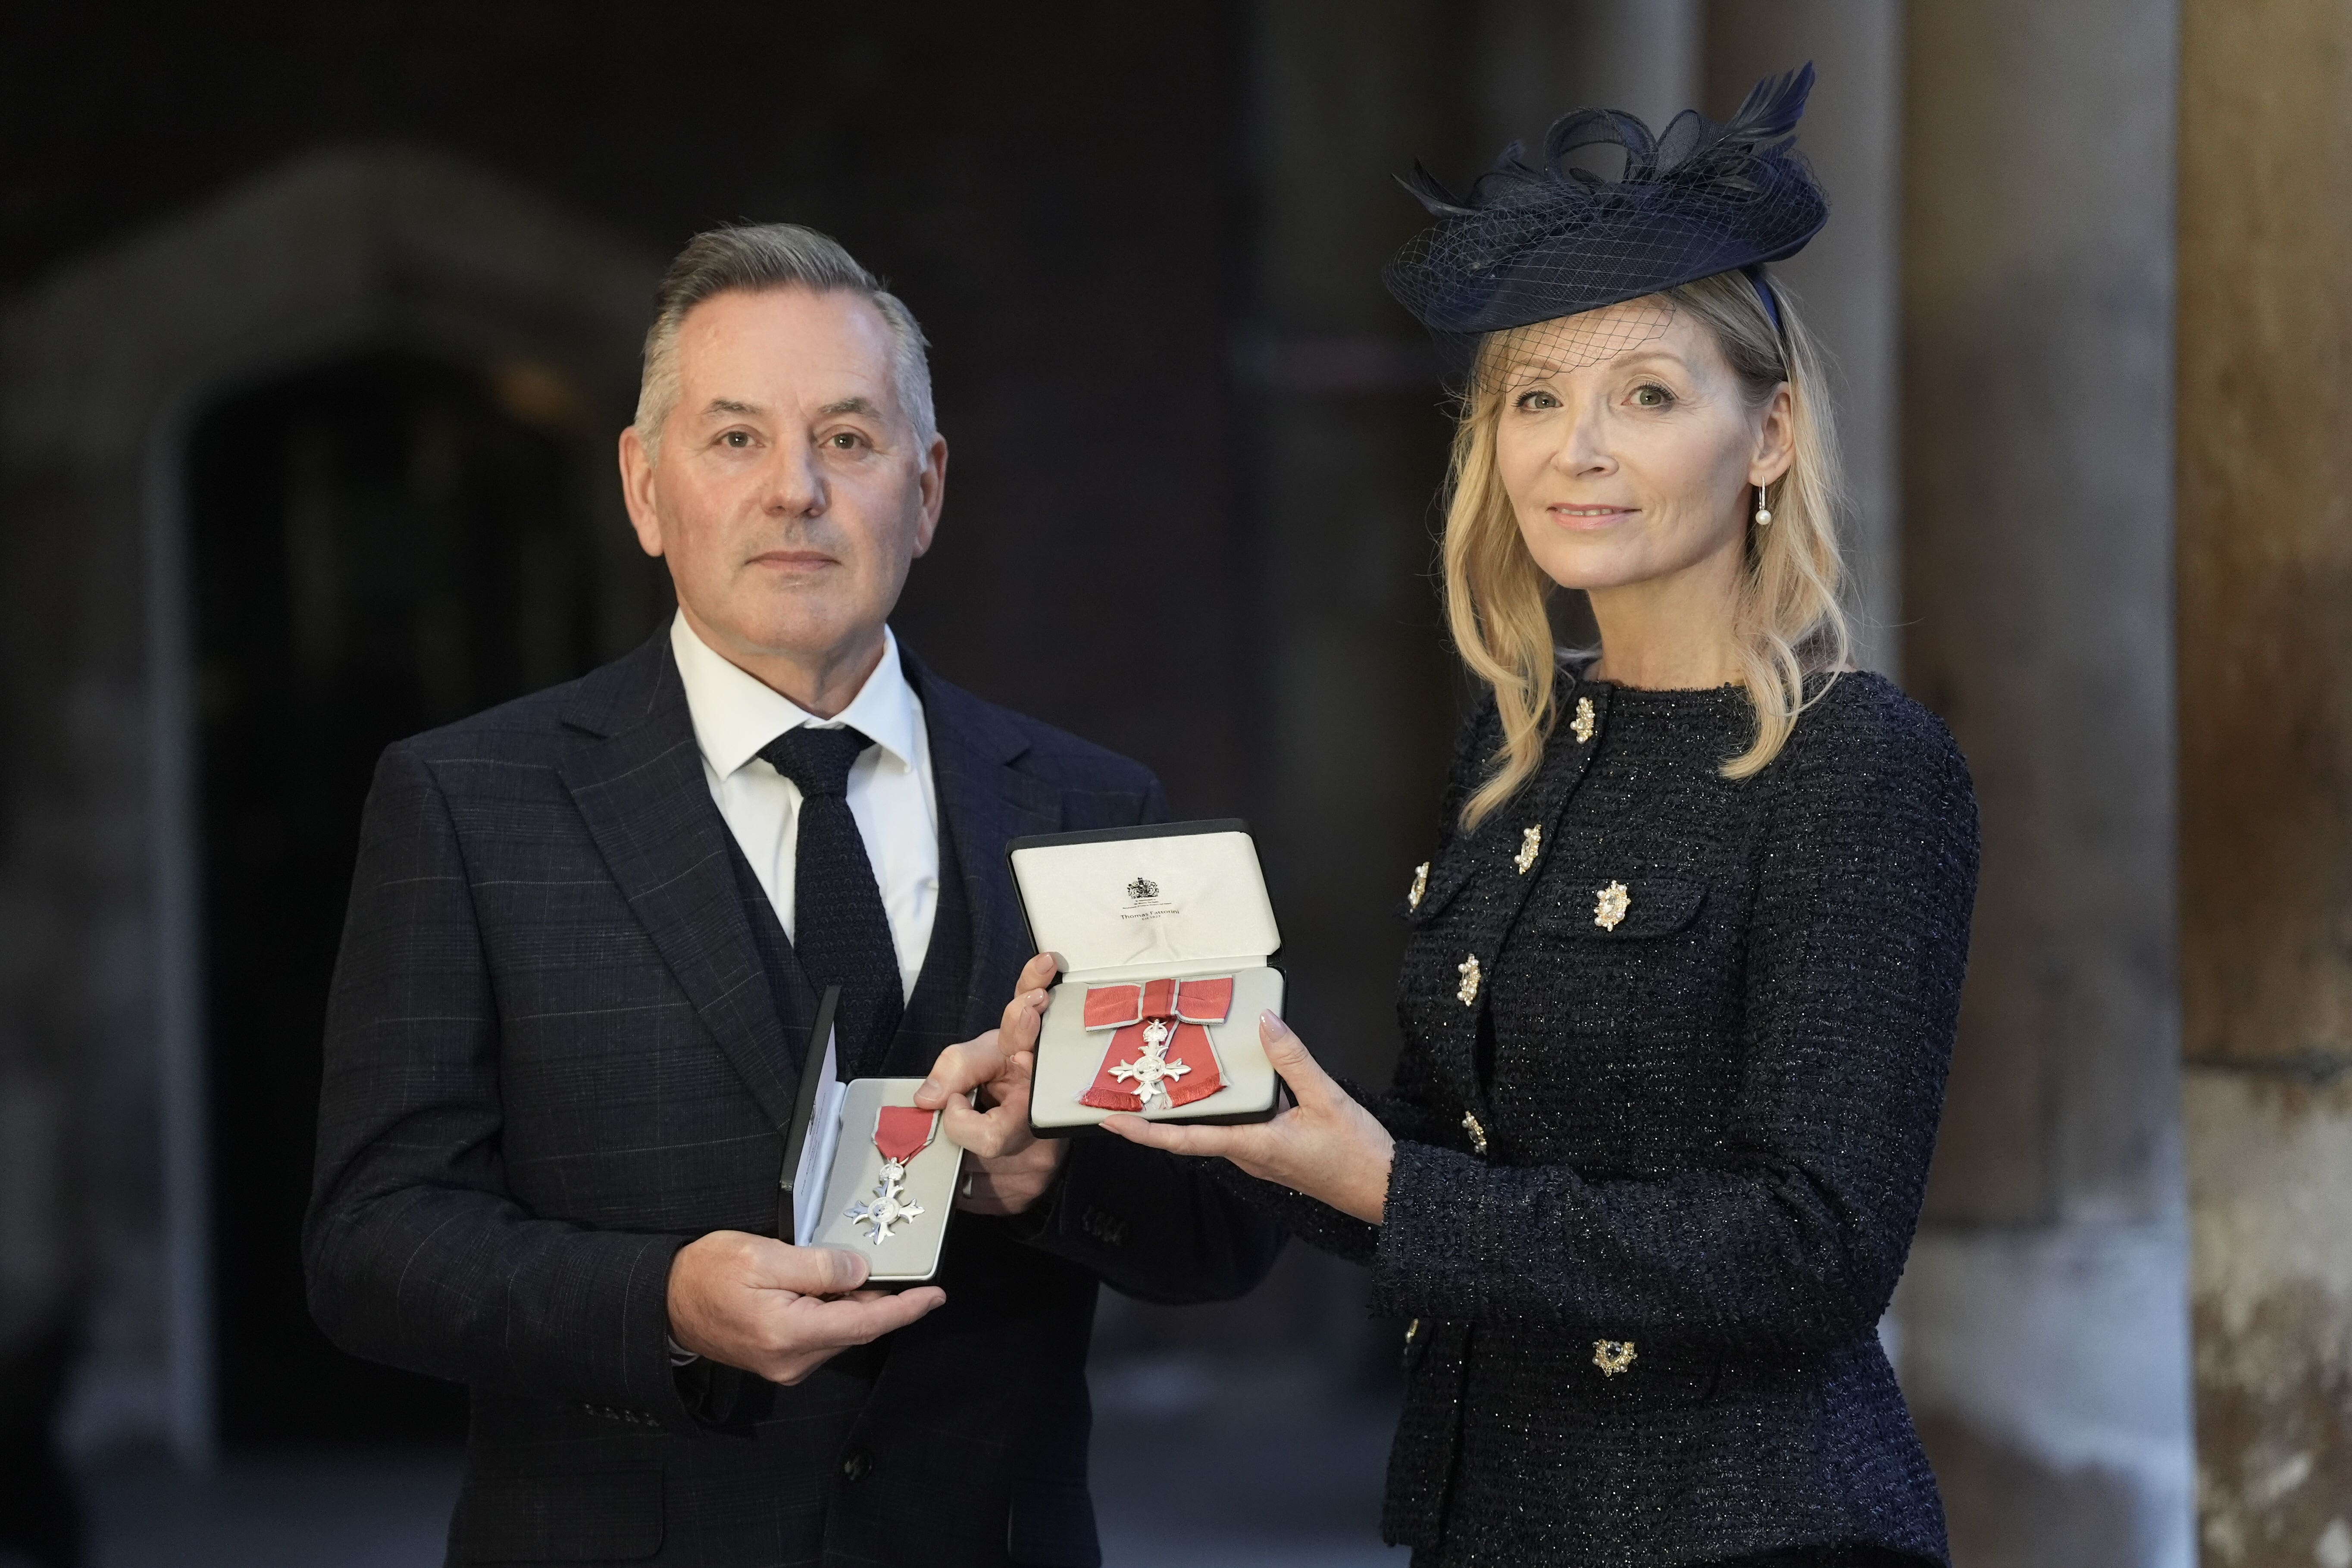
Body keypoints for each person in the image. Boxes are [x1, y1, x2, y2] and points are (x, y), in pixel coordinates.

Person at [1102, 68, 1979, 1568]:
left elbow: (1816, 1252)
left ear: (1767, 437)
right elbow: (1444, 1165)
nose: (1576, 448)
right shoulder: (1517, 756)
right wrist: (1211, 1094)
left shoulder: (1859, 766)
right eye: (1535, 396)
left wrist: (1391, 1186)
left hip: (1751, 1530)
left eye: (1646, 393)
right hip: (1492, 1513)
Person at [304, 223, 1282, 1568]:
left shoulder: (1088, 805)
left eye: (849, 438)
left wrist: (1058, 1179)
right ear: (647, 491)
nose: (796, 492)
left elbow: (1225, 1237)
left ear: (926, 490)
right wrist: (660, 1301)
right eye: (735, 441)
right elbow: (372, 1244)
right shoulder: (471, 802)